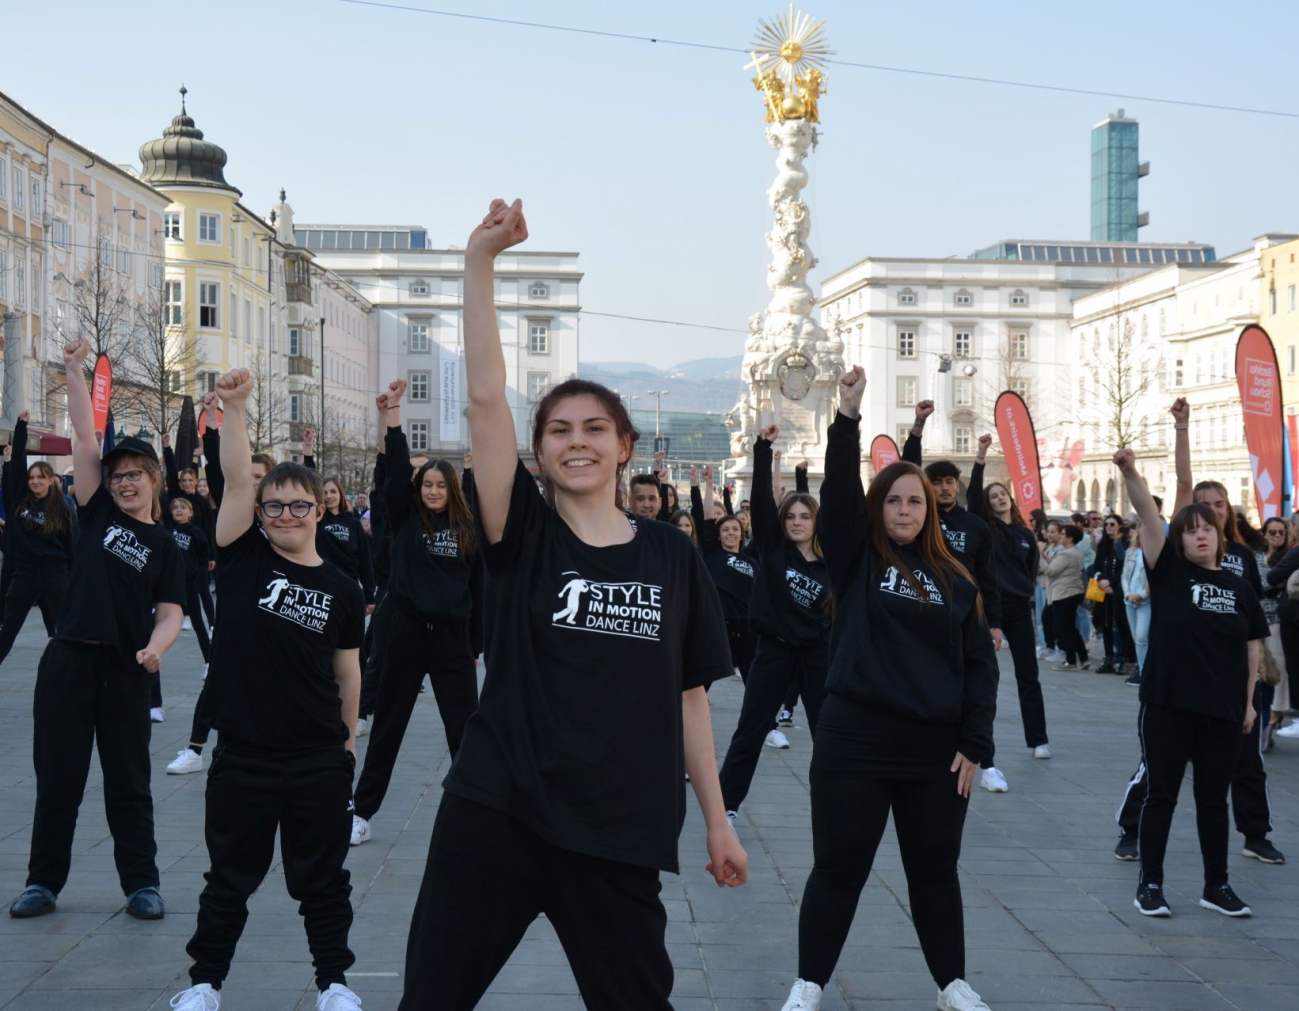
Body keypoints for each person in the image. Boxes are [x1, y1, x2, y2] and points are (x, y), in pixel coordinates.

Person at [397, 198, 746, 1010]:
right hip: (498, 812)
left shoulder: (671, 556)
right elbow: (486, 399)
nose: (577, 440)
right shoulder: (519, 531)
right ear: (540, 452)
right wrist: (478, 263)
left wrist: (717, 820)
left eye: (595, 427)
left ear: (625, 446)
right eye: (558, 429)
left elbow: (688, 696)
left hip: (617, 827)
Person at [780, 365, 996, 1011]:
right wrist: (846, 415)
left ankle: (950, 984)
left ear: (928, 508)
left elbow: (980, 667)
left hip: (933, 752)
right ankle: (808, 983)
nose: (903, 509)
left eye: (914, 501)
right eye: (894, 499)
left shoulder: (956, 580)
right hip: (853, 741)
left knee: (933, 872)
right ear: (880, 508)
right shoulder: (856, 558)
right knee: (837, 868)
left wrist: (974, 742)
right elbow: (841, 491)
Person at [166, 367, 366, 1011]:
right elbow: (231, 475)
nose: (283, 514)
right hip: (245, 754)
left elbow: (347, 673)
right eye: (272, 504)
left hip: (315, 756)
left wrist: (347, 744)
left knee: (324, 882)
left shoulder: (341, 587)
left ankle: (334, 983)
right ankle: (204, 985)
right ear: (261, 511)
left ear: (318, 509)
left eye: (297, 505)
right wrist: (236, 407)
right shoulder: (245, 552)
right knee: (228, 880)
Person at [9, 336, 184, 921]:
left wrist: (157, 650)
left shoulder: (164, 545)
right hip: (66, 663)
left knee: (129, 783)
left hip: (124, 670)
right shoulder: (97, 511)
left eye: (136, 474)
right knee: (57, 779)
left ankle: (142, 883)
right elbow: (87, 438)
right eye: (118, 476)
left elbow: (171, 612)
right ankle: (42, 882)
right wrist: (75, 368)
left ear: (154, 480)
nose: (125, 482)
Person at [1113, 444, 1265, 918]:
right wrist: (1130, 470)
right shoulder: (1169, 572)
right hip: (1168, 704)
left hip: (1222, 710)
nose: (1200, 535)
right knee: (1162, 794)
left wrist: (1248, 705)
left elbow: (1252, 648)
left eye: (1208, 529)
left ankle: (1215, 886)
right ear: (1179, 540)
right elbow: (1145, 506)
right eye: (1191, 530)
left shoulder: (1240, 586)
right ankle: (1151, 885)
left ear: (1221, 537)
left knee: (1212, 802)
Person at [349, 379, 483, 847]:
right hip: (405, 631)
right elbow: (394, 472)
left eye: (439, 485)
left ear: (452, 490)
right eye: (425, 484)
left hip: (451, 638)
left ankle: (476, 813)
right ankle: (361, 811)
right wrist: (393, 417)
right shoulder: (404, 518)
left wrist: (475, 646)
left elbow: (479, 591)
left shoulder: (467, 529)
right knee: (388, 726)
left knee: (464, 731)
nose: (431, 490)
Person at [717, 424, 831, 816]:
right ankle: (726, 808)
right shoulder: (772, 549)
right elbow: (762, 502)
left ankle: (833, 807)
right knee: (751, 731)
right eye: (791, 517)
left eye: (805, 516)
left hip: (817, 658)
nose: (797, 522)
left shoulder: (831, 567)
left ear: (816, 521)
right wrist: (762, 449)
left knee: (827, 735)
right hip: (773, 653)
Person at [902, 402, 1005, 792]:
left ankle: (986, 760)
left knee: (977, 688)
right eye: (937, 482)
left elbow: (988, 579)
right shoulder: (921, 519)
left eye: (950, 481)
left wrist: (994, 622)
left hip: (969, 616)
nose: (944, 487)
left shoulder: (975, 526)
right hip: (926, 611)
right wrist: (919, 425)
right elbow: (907, 469)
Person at [966, 434, 1049, 760]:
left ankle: (1039, 739)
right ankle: (977, 745)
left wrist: (1025, 591)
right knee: (985, 675)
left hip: (1017, 609)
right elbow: (973, 496)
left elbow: (1030, 571)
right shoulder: (986, 529)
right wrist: (981, 455)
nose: (999, 498)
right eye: (994, 496)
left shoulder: (1025, 533)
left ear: (1010, 500)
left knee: (1029, 675)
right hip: (987, 609)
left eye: (1003, 494)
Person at [0, 411, 77, 667]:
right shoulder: (20, 501)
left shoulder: (63, 510)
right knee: (7, 628)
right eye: (31, 478)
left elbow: (73, 548)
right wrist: (21, 427)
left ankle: (63, 676)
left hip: (55, 574)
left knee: (58, 630)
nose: (34, 481)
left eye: (40, 478)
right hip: (24, 573)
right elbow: (18, 462)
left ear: (49, 482)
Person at [690, 465, 756, 682]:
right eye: (725, 530)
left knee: (753, 680)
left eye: (735, 529)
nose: (730, 533)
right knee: (703, 678)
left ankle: (758, 717)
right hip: (718, 625)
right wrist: (708, 484)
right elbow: (708, 517)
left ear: (741, 534)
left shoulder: (751, 560)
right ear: (718, 536)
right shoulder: (713, 552)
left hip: (746, 628)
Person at [164, 496, 212, 665]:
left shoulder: (196, 533)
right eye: (175, 507)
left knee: (198, 622)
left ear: (190, 512)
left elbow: (203, 556)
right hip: (170, 581)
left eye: (183, 507)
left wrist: (199, 575)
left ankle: (209, 661)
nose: (178, 510)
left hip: (189, 580)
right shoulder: (167, 529)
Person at [1092, 515, 1136, 675]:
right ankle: (1109, 658)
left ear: (1119, 526)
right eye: (1106, 524)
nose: (1109, 527)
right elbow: (1096, 565)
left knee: (1122, 625)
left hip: (1119, 590)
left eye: (1112, 524)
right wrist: (1101, 580)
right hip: (1104, 590)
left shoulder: (1125, 544)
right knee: (1105, 624)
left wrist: (1110, 582)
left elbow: (1125, 567)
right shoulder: (1103, 545)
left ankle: (1127, 659)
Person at [1044, 525, 1088, 670]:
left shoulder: (1068, 554)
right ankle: (1083, 658)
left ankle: (1071, 661)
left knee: (1064, 627)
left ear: (1069, 538)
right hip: (1070, 593)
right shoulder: (1072, 553)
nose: (1060, 536)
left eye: (1063, 534)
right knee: (1070, 627)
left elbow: (1050, 571)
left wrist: (1038, 557)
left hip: (1064, 593)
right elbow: (1055, 566)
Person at [1120, 523, 1151, 688]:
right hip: (1130, 599)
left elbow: (1154, 579)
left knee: (1141, 637)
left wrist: (1142, 595)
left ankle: (1145, 671)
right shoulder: (1131, 551)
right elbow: (1125, 575)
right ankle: (1141, 669)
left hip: (1145, 601)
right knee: (1137, 639)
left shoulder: (1154, 553)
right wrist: (1127, 594)